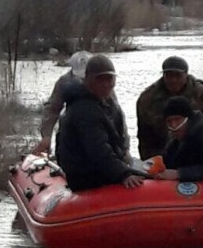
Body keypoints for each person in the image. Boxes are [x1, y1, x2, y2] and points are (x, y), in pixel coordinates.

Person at [55, 55, 144, 192]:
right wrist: (123, 174)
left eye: (109, 79)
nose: (106, 84)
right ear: (87, 79)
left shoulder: (104, 103)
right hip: (87, 177)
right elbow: (98, 149)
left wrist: (124, 160)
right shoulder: (84, 110)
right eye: (100, 79)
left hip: (99, 170)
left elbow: (118, 138)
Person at [136, 56, 203, 161]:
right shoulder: (148, 98)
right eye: (169, 75)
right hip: (161, 156)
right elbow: (144, 137)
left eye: (178, 75)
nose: (173, 80)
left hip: (200, 155)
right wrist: (151, 162)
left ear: (186, 75)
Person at [153, 96, 203, 182]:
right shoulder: (175, 140)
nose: (174, 125)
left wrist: (180, 173)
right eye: (169, 121)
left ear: (188, 118)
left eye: (177, 119)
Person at [33, 51, 91, 155]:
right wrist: (46, 136)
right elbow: (52, 109)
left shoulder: (103, 81)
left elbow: (114, 112)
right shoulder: (64, 82)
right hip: (71, 131)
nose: (83, 79)